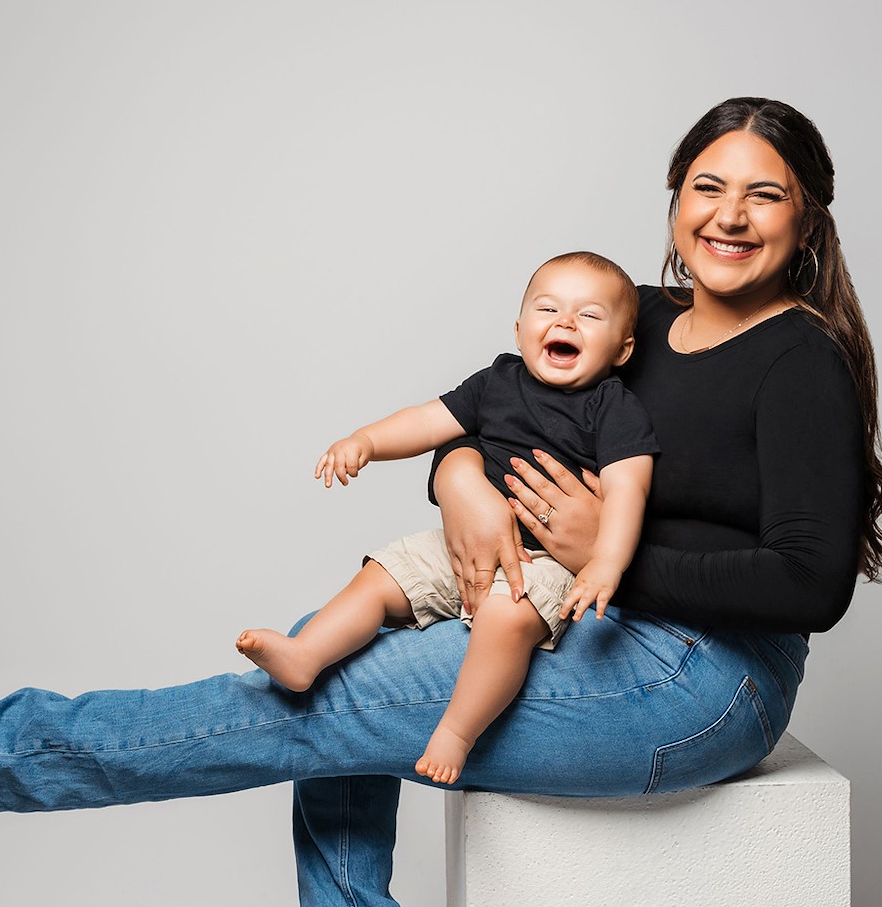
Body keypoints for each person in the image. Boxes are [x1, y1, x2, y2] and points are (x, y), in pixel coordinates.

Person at [0, 96, 882, 907]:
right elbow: (497, 416)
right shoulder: (625, 315)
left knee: (329, 696)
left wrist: (603, 556)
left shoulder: (799, 360)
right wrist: (459, 481)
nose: (729, 216)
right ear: (673, 198)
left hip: (701, 680)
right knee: (326, 635)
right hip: (571, 611)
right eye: (708, 187)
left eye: (764, 195)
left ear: (807, 219)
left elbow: (810, 586)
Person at [235, 249, 659, 787]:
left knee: (507, 619)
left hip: (543, 561)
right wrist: (366, 441)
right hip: (465, 544)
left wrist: (606, 563)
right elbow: (426, 420)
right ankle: (304, 656)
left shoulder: (614, 408)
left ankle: (457, 732)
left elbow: (627, 489)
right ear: (519, 329)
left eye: (589, 315)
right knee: (383, 575)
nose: (566, 322)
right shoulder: (497, 381)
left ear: (622, 349)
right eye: (548, 309)